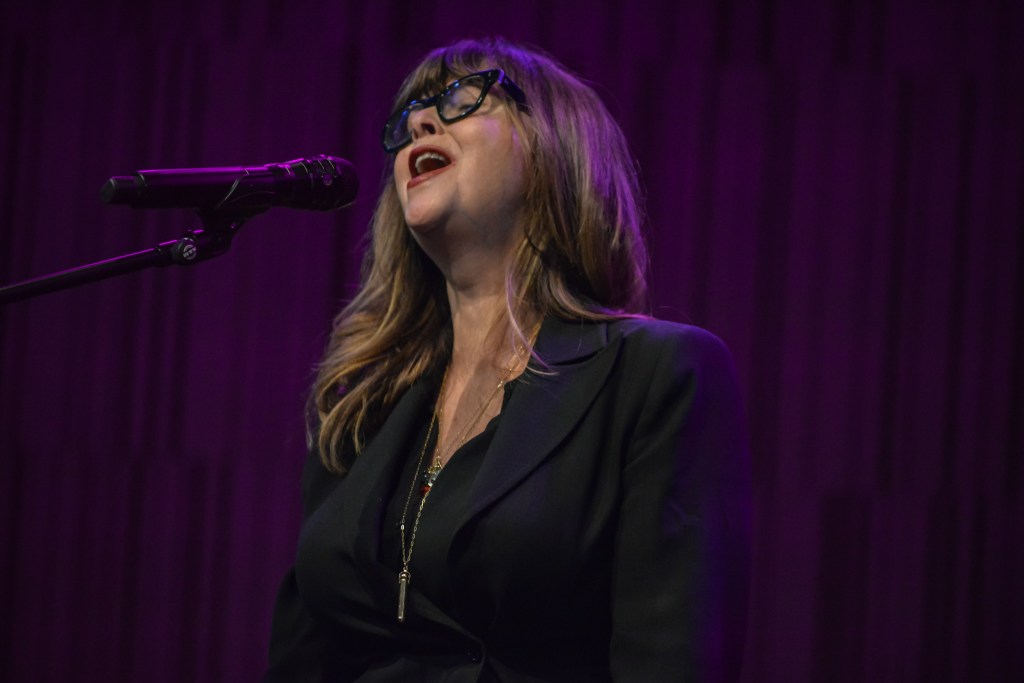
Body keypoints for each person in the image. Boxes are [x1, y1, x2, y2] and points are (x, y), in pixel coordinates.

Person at [265, 37, 751, 682]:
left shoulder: (656, 374)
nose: (420, 122)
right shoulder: (362, 402)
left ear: (553, 146)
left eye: (462, 98)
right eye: (409, 115)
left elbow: (669, 658)